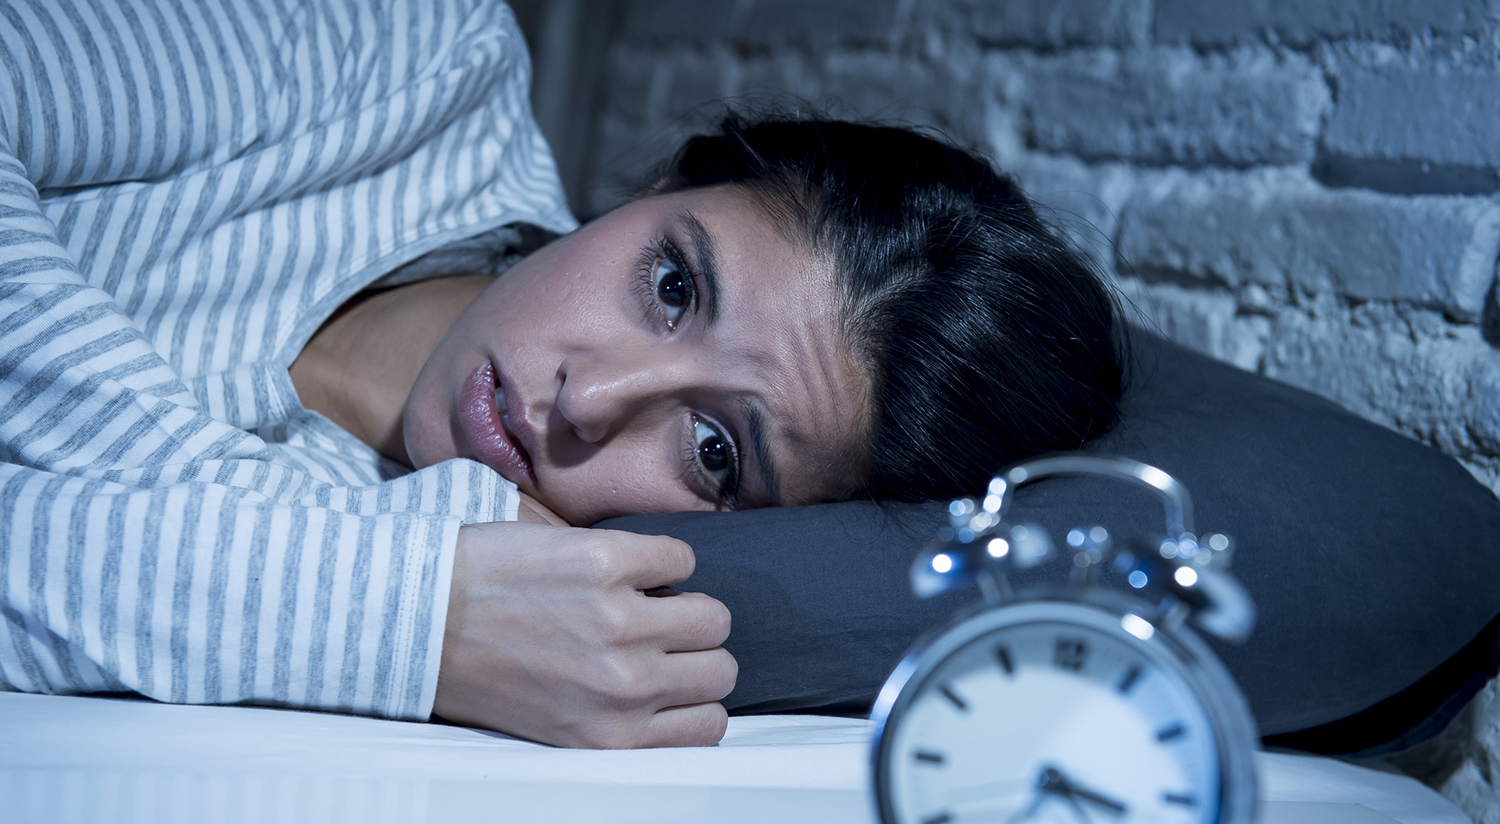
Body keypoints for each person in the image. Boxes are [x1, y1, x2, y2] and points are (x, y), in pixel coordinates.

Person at [0, 0, 1120, 749]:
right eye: (672, 283)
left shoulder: (506, 564)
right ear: (653, 186)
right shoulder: (406, 55)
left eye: (714, 450)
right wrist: (402, 618)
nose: (588, 402)